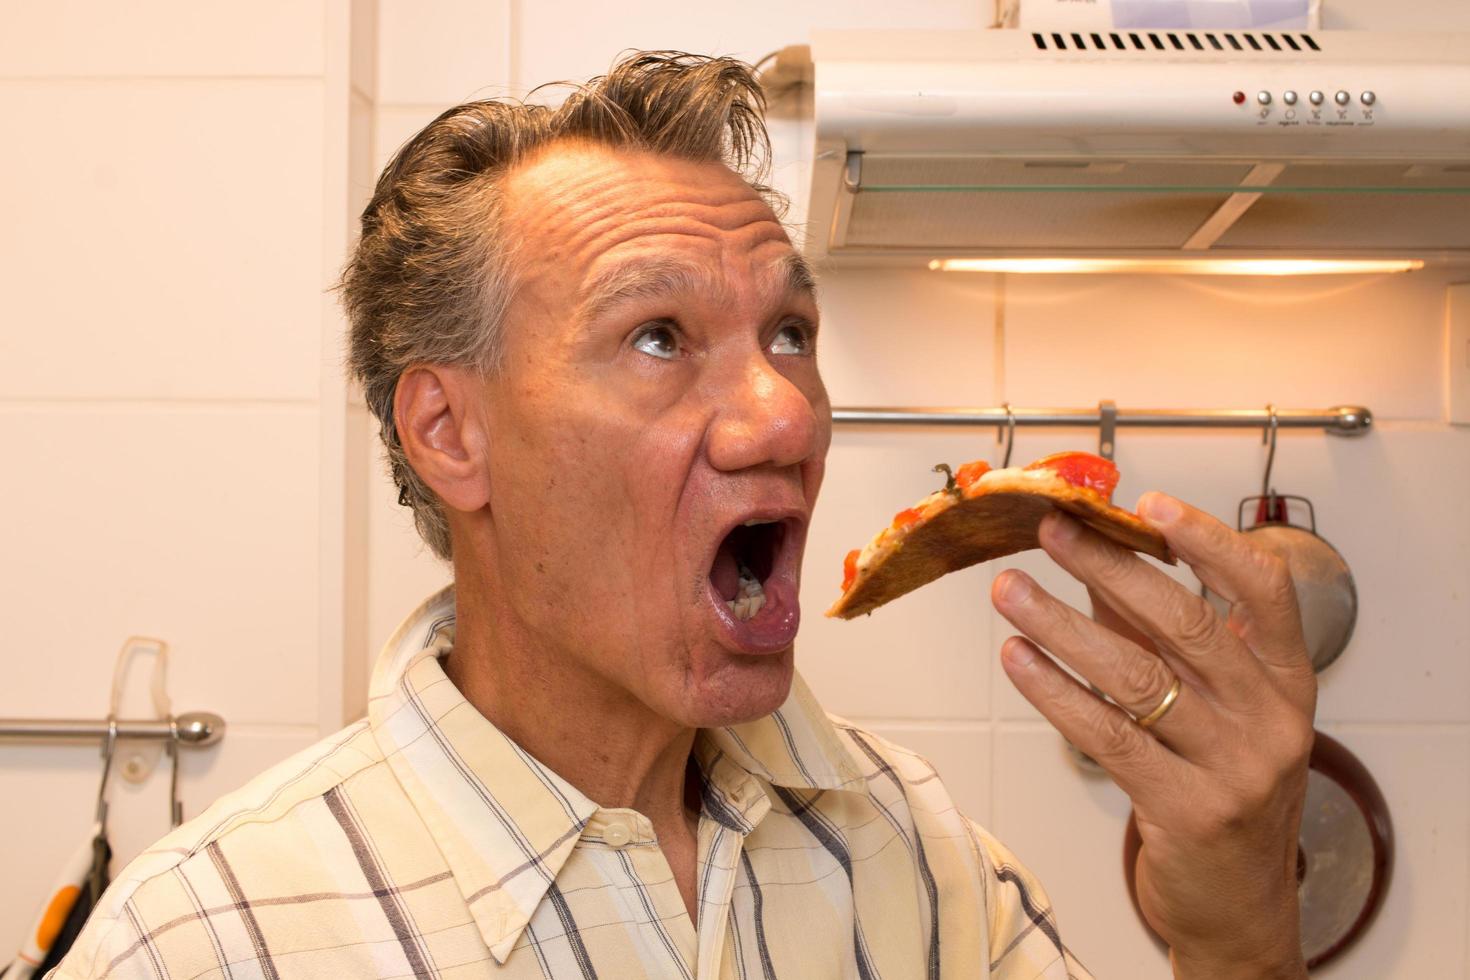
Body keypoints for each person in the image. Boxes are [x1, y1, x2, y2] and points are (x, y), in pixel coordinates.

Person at [50, 52, 1315, 979]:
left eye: (791, 333)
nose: (787, 416)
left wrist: (1233, 924)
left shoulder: (912, 854)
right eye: (658, 335)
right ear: (450, 433)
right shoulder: (211, 940)